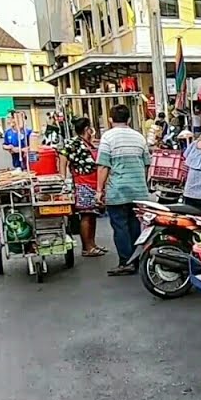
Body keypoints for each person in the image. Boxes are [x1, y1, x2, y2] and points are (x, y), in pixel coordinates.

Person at [96, 104, 152, 276]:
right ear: (128, 119)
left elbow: (103, 166)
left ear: (111, 120)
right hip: (138, 191)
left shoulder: (107, 138)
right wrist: (143, 183)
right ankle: (135, 260)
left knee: (120, 227)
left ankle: (125, 262)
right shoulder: (139, 137)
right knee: (135, 225)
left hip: (118, 191)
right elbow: (147, 164)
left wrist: (99, 190)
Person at [59, 117, 107, 258]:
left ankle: (92, 244)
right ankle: (87, 247)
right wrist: (63, 177)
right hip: (83, 184)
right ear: (87, 129)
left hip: (94, 183)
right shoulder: (73, 143)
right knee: (86, 215)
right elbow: (63, 158)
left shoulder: (89, 143)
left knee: (93, 215)